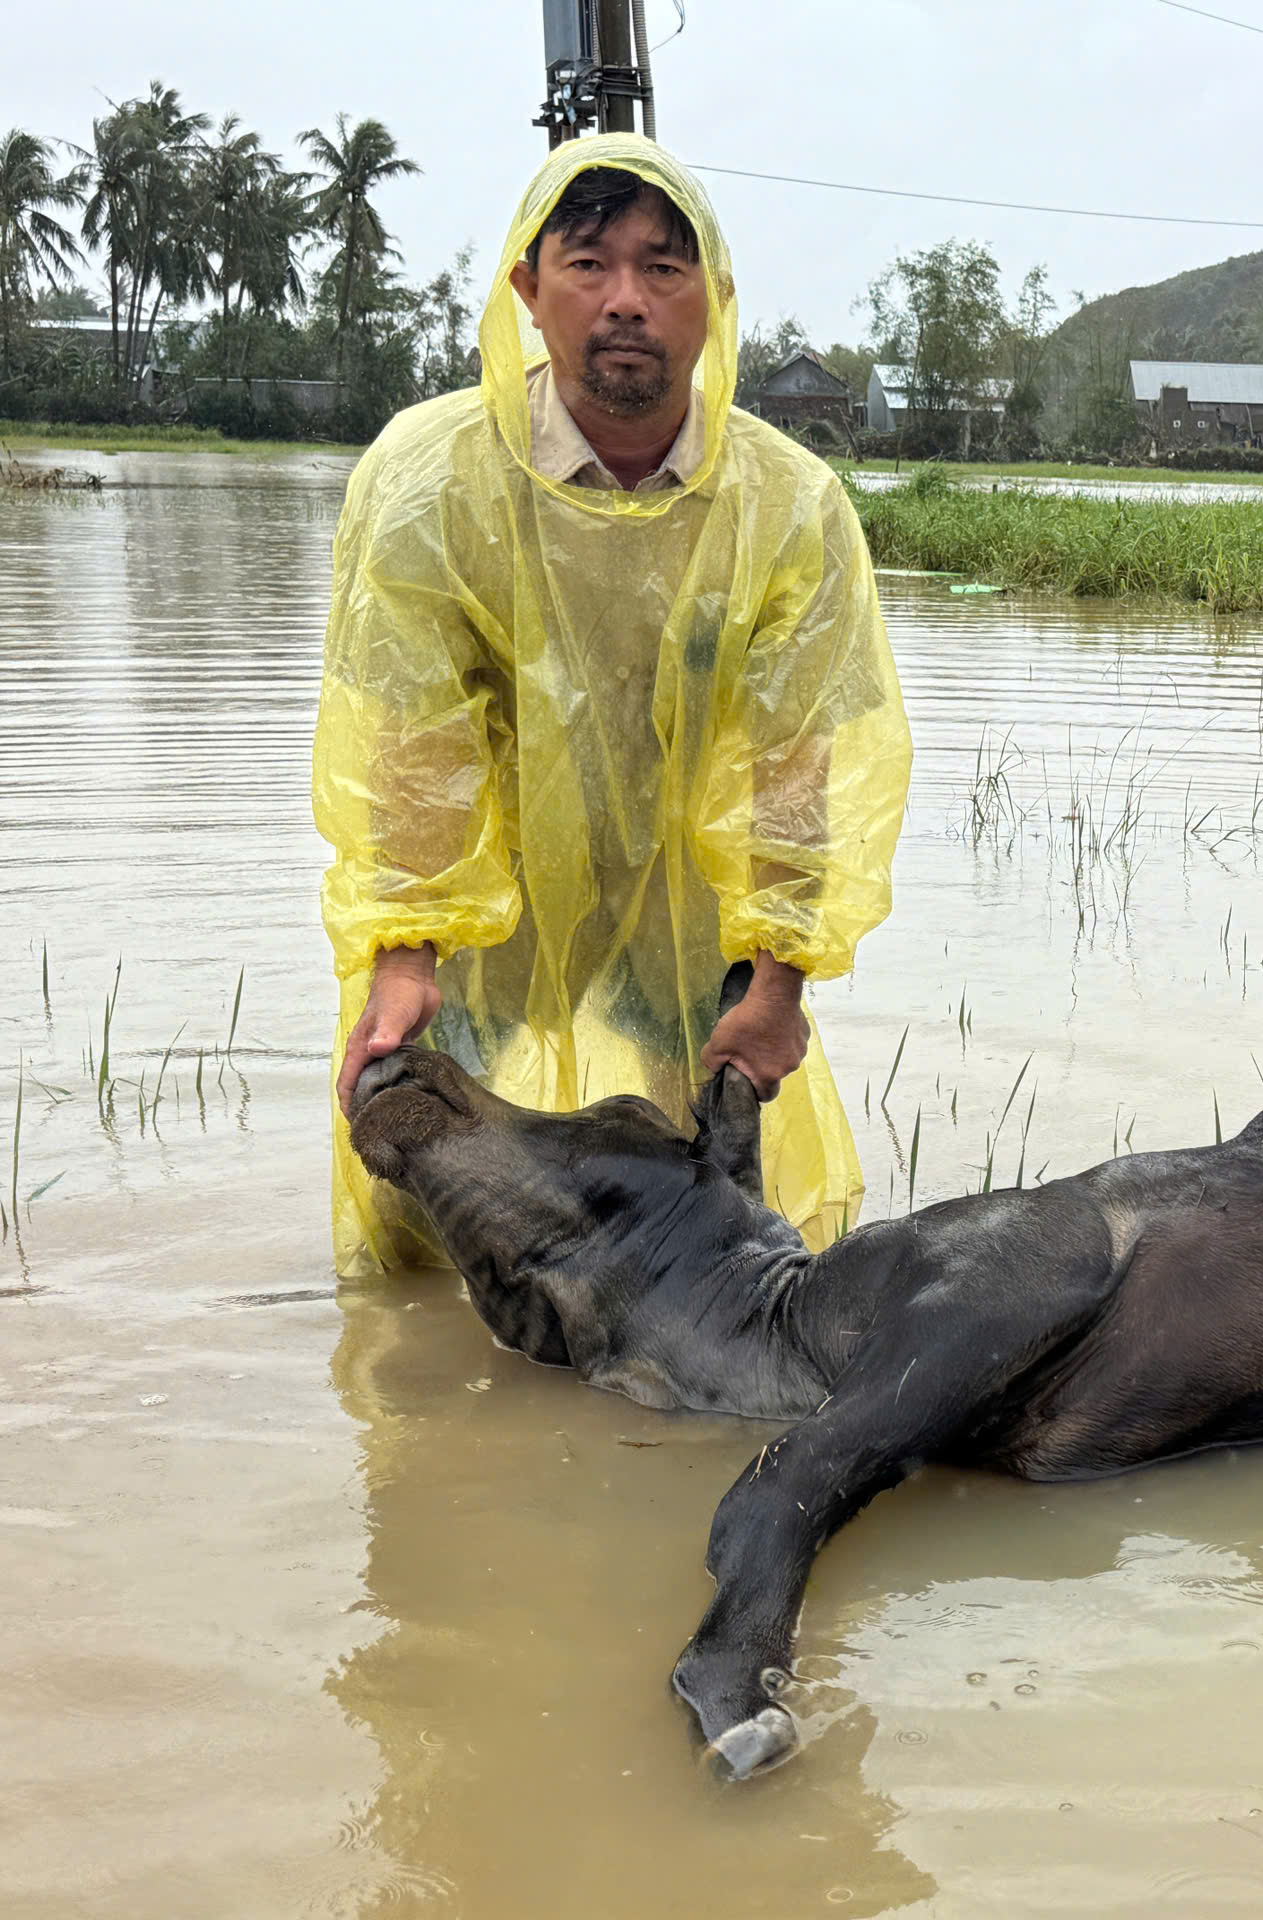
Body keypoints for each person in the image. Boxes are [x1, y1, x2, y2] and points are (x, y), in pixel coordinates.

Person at [314, 136, 910, 1277]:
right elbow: (407, 743)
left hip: (688, 908)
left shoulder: (789, 507)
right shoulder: (428, 481)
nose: (626, 301)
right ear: (528, 290)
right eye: (588, 264)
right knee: (422, 1200)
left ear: (715, 301)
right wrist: (404, 956)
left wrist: (777, 980)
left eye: (664, 269)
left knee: (737, 1215)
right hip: (484, 907)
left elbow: (799, 765)